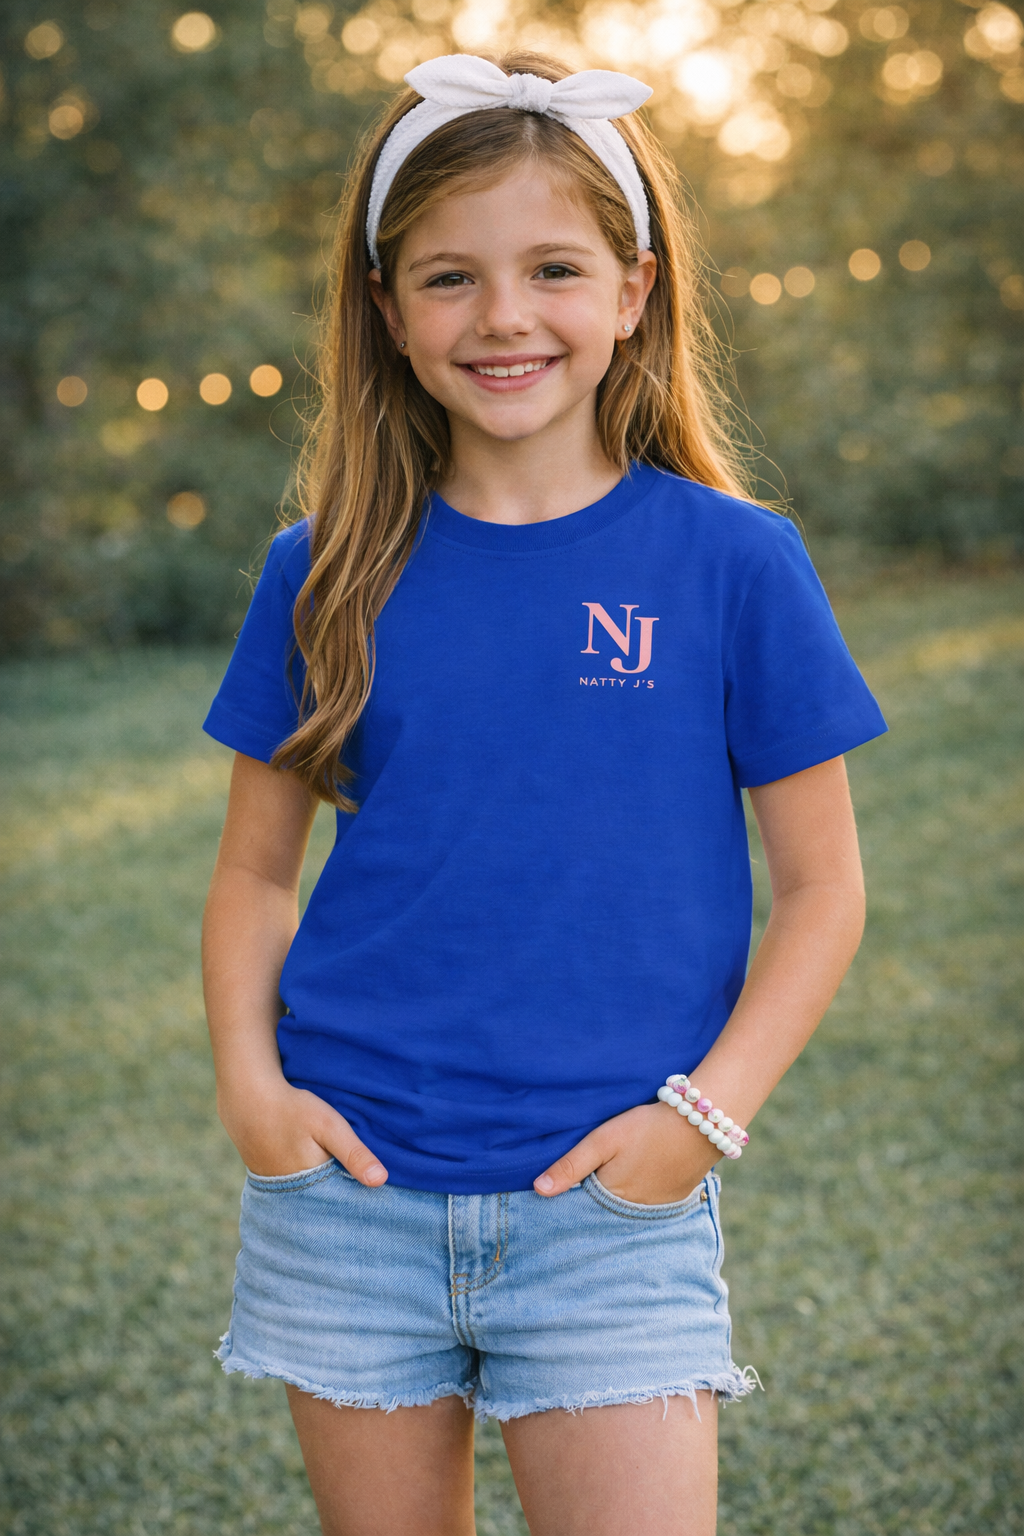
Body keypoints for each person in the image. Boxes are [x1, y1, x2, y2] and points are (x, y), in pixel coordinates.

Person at [201, 50, 887, 1536]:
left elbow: (825, 889)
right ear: (387, 310)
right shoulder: (322, 571)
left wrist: (699, 1125)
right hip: (349, 1200)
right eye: (449, 277)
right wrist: (254, 1092)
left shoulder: (735, 564)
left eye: (553, 269)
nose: (502, 316)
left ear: (634, 291)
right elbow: (255, 873)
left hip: (611, 1211)